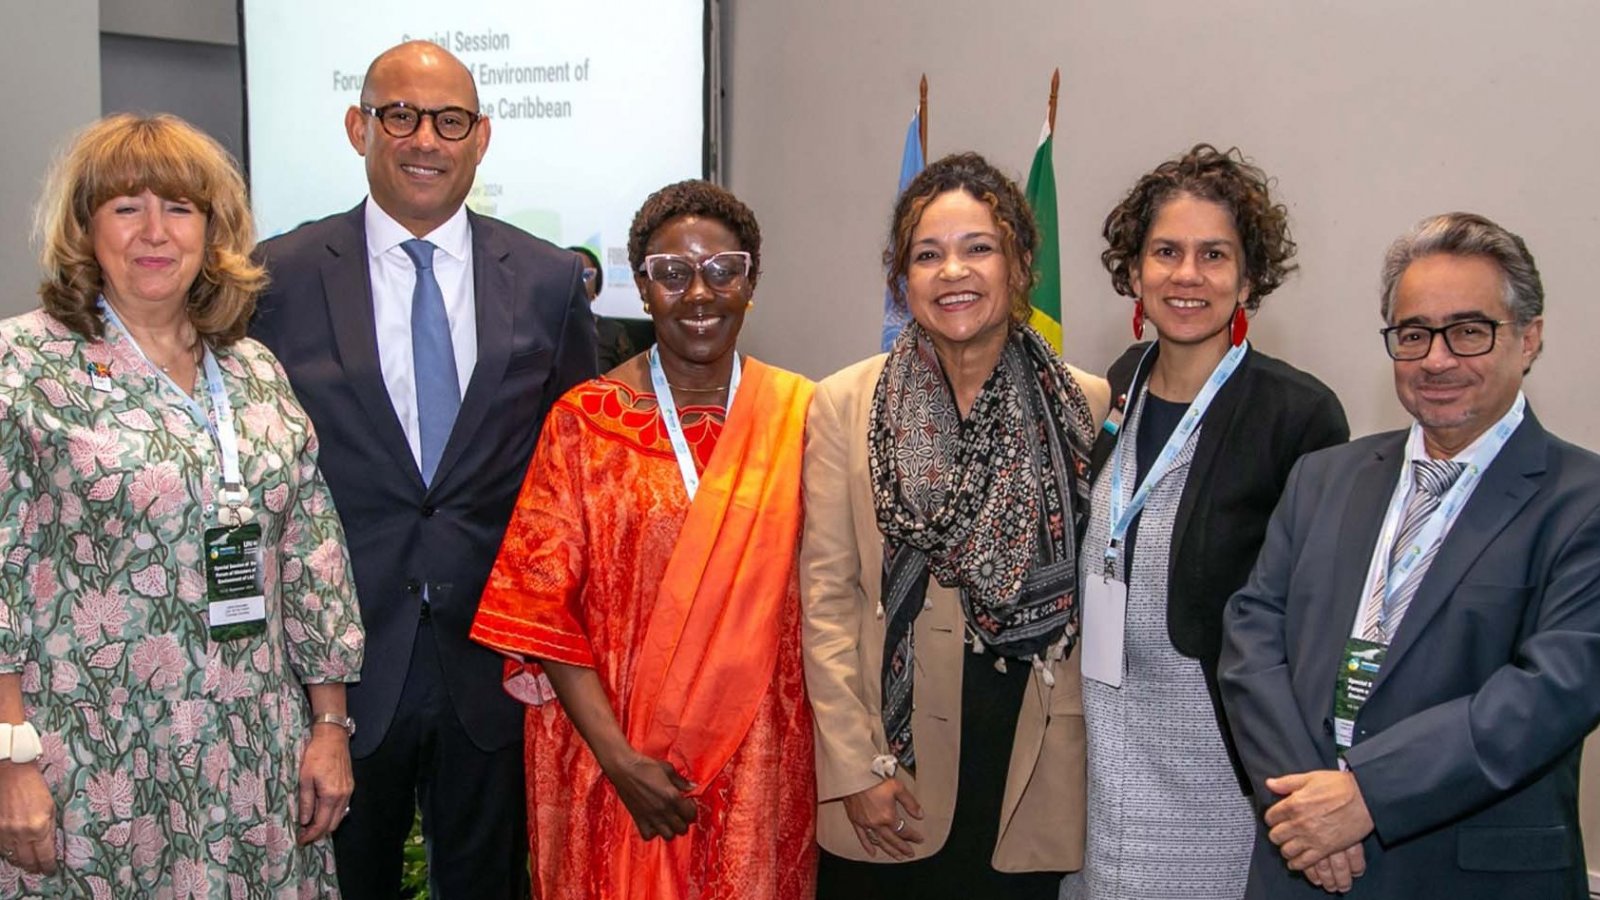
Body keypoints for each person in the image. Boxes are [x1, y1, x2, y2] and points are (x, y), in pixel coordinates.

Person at [251, 40, 596, 899]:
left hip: (491, 668)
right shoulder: (275, 279)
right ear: (357, 126)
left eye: (449, 121)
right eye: (399, 115)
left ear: (481, 138)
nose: (423, 140)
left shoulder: (551, 281)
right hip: (335, 673)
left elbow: (577, 477)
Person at [0, 112, 363, 896]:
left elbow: (312, 553)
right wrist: (10, 758)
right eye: (126, 207)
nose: (153, 232)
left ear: (213, 229)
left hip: (252, 747)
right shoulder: (25, 364)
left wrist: (329, 724)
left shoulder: (253, 367)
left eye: (179, 208)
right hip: (92, 753)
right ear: (86, 228)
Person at [1219, 212, 1600, 898]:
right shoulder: (1325, 477)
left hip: (1468, 873)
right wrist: (1305, 809)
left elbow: (1555, 687)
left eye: (1470, 330)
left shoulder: (1583, 501)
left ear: (1529, 338)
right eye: (1414, 334)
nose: (1437, 358)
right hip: (1302, 861)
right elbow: (1251, 637)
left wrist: (1367, 794)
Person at [470, 180, 817, 899]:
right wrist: (621, 761)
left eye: (724, 271)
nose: (699, 294)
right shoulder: (583, 422)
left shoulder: (804, 418)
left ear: (750, 283)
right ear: (643, 286)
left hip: (758, 754)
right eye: (672, 272)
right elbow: (540, 609)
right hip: (614, 758)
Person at [801, 152, 1111, 898]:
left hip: (1025, 758)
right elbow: (828, 602)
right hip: (891, 767)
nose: (953, 272)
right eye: (928, 255)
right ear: (902, 279)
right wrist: (855, 769)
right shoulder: (845, 403)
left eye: (979, 247)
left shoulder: (1086, 406)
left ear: (1018, 265)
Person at [1066, 145, 1348, 900]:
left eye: (1213, 255)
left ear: (1249, 277)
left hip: (1216, 767)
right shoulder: (1114, 385)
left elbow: (1314, 621)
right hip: (1101, 745)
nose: (1187, 275)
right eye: (1166, 252)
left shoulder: (1297, 415)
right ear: (1133, 270)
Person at [569, 244, 637, 372]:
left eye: (586, 275)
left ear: (596, 285)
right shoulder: (540, 332)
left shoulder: (613, 334)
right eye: (569, 274)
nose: (576, 282)